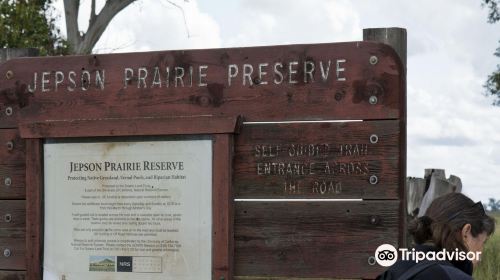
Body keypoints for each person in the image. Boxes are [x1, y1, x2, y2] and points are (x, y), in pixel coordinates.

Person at [376, 192, 496, 280]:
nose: (480, 255)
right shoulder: (454, 278)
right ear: (466, 233)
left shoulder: (395, 270)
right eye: (483, 242)